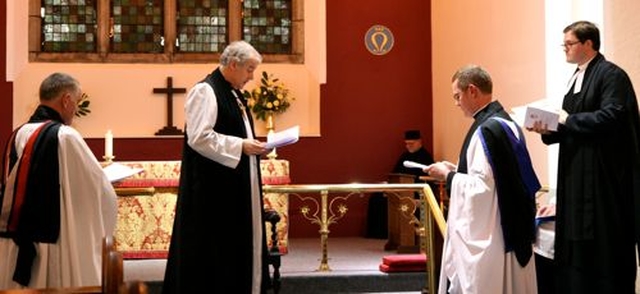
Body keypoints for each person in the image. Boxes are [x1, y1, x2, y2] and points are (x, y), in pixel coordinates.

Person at [527, 20, 640, 294]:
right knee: (574, 253)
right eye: (563, 44)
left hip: (603, 182)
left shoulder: (612, 75)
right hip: (574, 179)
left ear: (589, 44)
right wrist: (547, 127)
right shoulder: (576, 78)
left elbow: (613, 115)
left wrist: (567, 121)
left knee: (603, 248)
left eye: (570, 43)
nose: (565, 49)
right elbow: (568, 125)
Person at [162, 40, 272, 294]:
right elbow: (199, 137)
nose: (252, 77)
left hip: (234, 186)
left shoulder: (233, 93)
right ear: (233, 64)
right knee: (214, 255)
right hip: (214, 193)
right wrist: (240, 146)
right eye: (249, 69)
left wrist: (251, 146)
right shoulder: (206, 91)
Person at [426, 65, 539, 294]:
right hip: (514, 222)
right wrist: (457, 169)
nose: (456, 103)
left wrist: (447, 176)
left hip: (496, 231)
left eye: (457, 96)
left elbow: (482, 188)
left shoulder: (485, 130)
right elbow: (500, 176)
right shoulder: (506, 122)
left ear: (472, 91)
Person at [0, 72, 118, 289]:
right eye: (76, 101)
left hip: (16, 242)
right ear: (66, 100)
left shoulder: (17, 134)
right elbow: (97, 190)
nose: (75, 110)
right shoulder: (65, 136)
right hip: (53, 242)